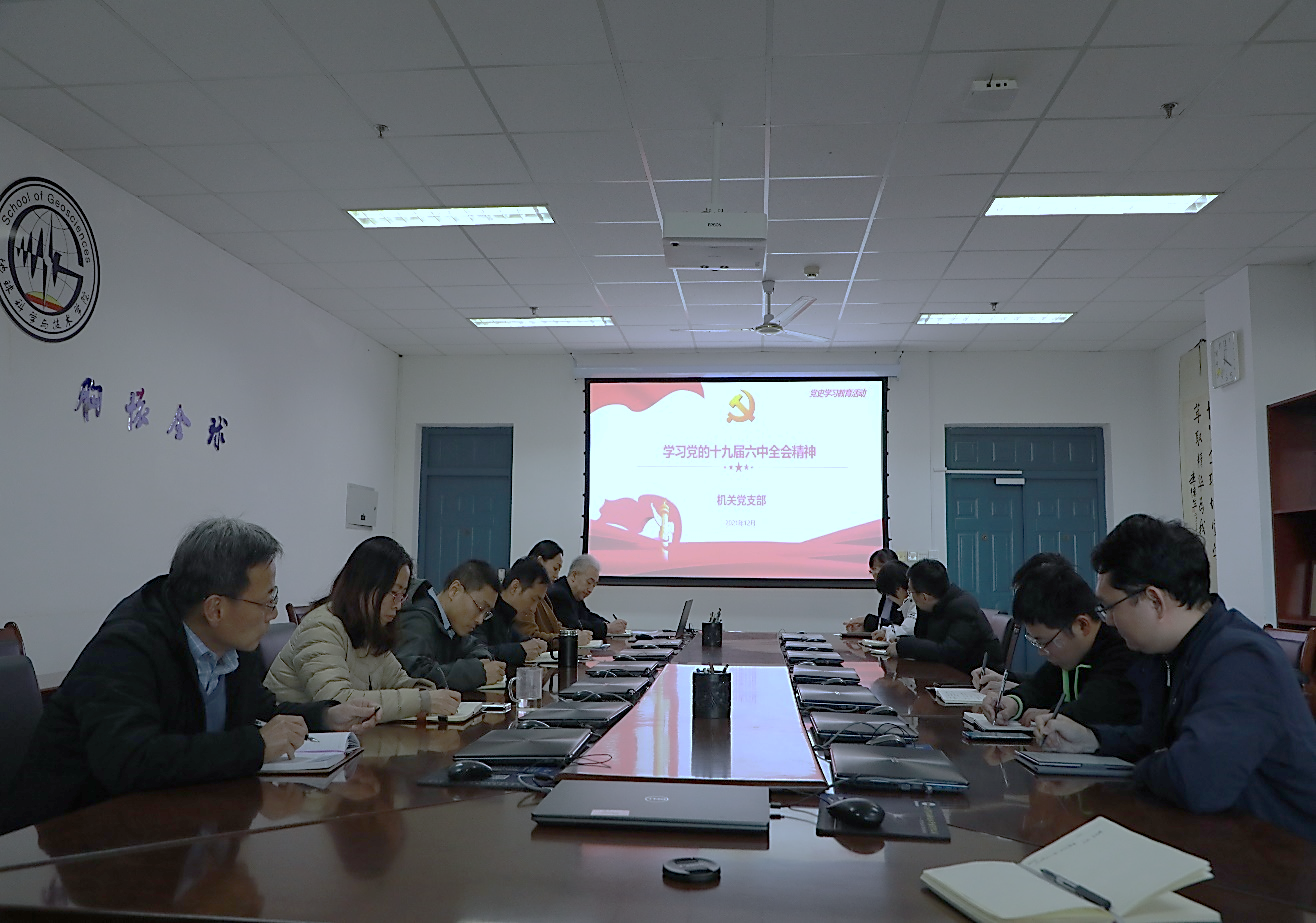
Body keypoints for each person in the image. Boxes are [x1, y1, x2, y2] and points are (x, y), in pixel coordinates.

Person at [0, 518, 378, 835]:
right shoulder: (126, 649)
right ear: (215, 608)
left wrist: (325, 715)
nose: (273, 613)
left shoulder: (232, 640)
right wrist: (253, 747)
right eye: (266, 601)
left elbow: (258, 708)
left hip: (174, 821)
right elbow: (131, 761)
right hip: (70, 838)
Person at [1034, 515, 1316, 841]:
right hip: (1218, 833)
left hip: (1280, 851)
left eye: (1110, 607)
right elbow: (1159, 740)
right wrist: (1092, 739)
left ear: (1154, 600)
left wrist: (1146, 767)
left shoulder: (1241, 659)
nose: (1108, 621)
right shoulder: (1171, 652)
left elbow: (1197, 781)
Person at [263, 537, 457, 722]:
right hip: (296, 739)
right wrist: (422, 701)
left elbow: (398, 681)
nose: (398, 605)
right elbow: (340, 704)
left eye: (403, 595)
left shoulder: (369, 629)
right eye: (393, 593)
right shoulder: (321, 627)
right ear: (365, 586)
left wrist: (425, 692)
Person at [974, 560, 1141, 728]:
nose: (1041, 652)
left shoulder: (1122, 652)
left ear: (1081, 625)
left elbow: (1095, 709)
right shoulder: (1071, 655)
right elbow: (1040, 687)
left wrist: (1056, 714)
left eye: (1044, 642)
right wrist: (1013, 702)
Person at [394, 559, 506, 692]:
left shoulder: (450, 625)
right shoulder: (418, 620)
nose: (480, 620)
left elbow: (475, 646)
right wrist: (477, 672)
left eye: (486, 613)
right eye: (480, 607)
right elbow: (412, 675)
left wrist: (483, 661)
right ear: (454, 590)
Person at [894, 559, 1002, 674]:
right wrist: (901, 641)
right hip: (950, 671)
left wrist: (902, 647)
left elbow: (950, 653)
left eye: (911, 592)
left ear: (925, 597)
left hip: (980, 677)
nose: (910, 596)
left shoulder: (963, 606)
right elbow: (923, 637)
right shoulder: (933, 605)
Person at [511, 540, 592, 648]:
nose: (557, 576)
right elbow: (531, 636)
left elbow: (555, 626)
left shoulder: (544, 595)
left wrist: (572, 634)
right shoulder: (524, 592)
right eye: (555, 568)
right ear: (540, 562)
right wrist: (570, 639)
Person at [474, 557, 551, 668]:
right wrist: (520, 650)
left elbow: (515, 639)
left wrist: (533, 644)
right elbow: (476, 652)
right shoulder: (484, 611)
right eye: (533, 599)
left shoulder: (507, 615)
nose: (533, 609)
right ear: (515, 587)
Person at [547, 554, 628, 639]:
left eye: (594, 585)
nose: (590, 590)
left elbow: (587, 616)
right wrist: (607, 628)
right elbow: (574, 626)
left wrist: (607, 624)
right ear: (574, 575)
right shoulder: (559, 593)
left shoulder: (573, 594)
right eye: (589, 582)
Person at [844, 549, 901, 633]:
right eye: (871, 571)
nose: (874, 575)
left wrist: (867, 620)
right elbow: (884, 626)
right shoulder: (886, 595)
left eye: (875, 569)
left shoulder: (904, 594)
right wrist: (863, 628)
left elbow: (900, 628)